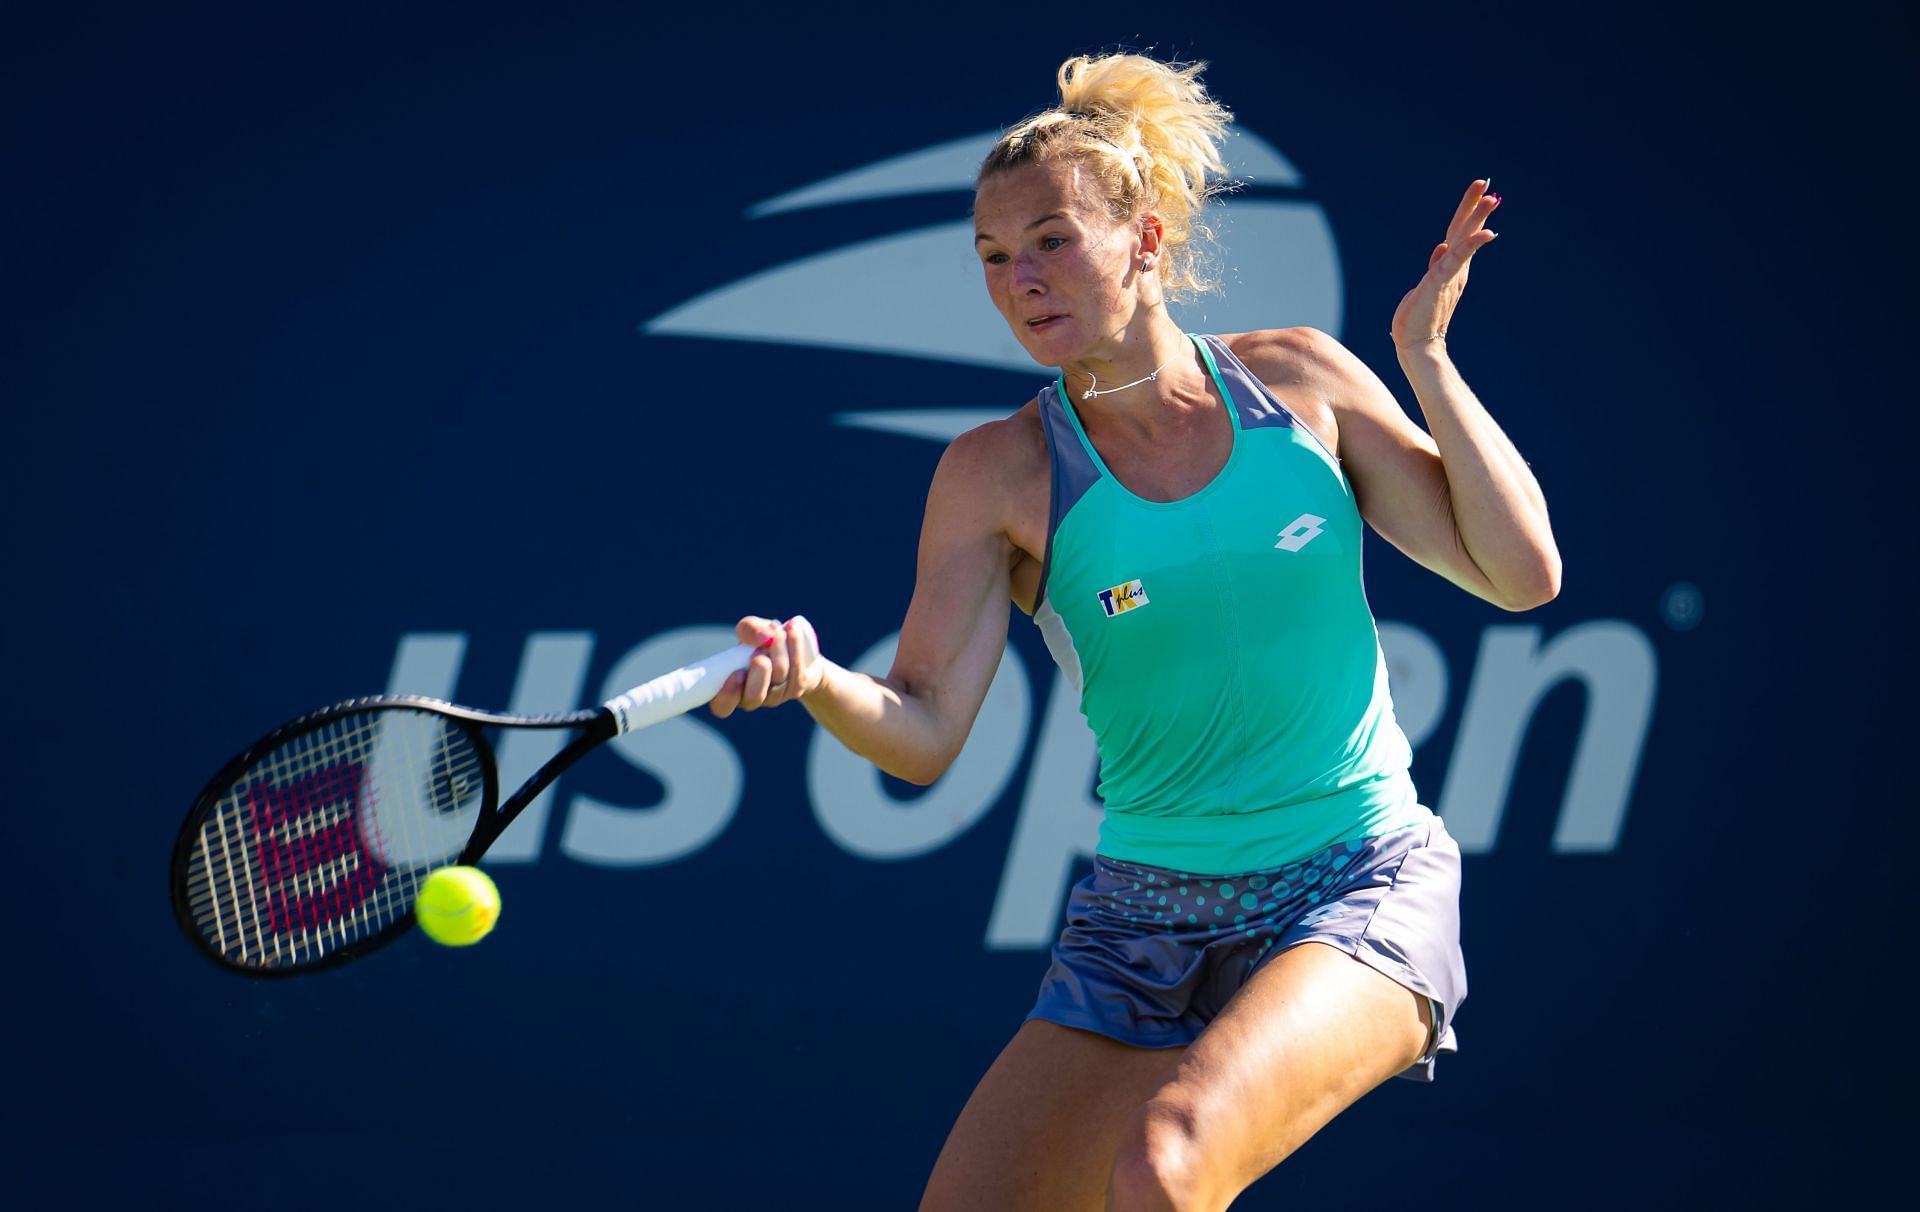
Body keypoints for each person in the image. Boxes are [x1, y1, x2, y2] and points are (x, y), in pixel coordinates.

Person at [709, 52, 1560, 1212]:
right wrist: (814, 682)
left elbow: (1519, 575)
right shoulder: (996, 474)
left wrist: (1426, 359)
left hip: (1357, 875)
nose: (1023, 280)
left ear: (1147, 242)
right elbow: (919, 732)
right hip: (1145, 914)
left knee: (1163, 1166)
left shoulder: (1300, 382)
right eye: (996, 259)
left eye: (1053, 240)